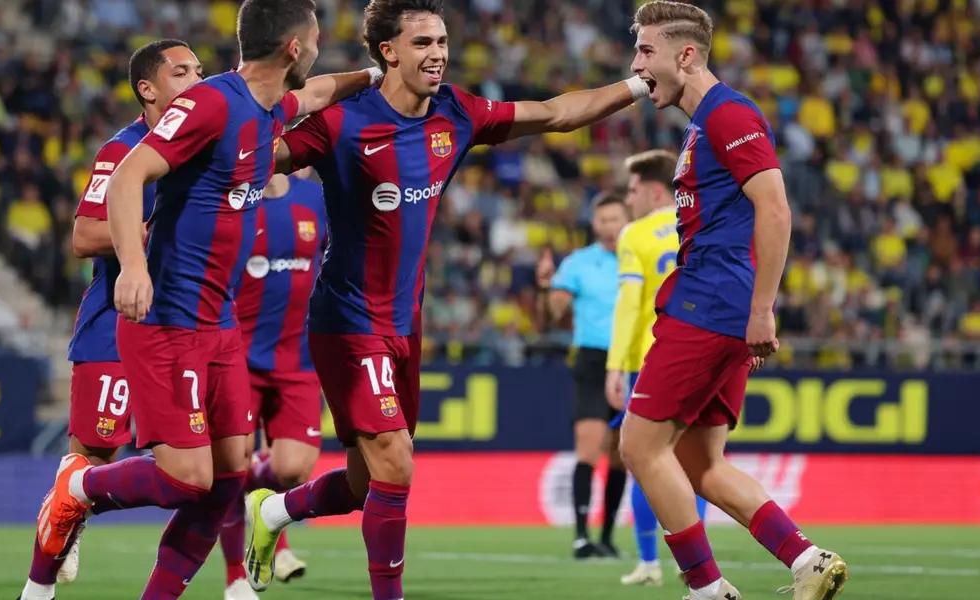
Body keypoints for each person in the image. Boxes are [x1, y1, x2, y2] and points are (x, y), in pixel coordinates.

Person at [242, 1, 654, 597]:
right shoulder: (342, 122)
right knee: (396, 464)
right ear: (388, 52)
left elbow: (559, 112)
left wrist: (640, 83)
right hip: (347, 322)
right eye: (422, 44)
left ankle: (272, 513)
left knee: (367, 481)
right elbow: (256, 157)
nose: (438, 54)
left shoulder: (456, 113)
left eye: (441, 41)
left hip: (405, 325)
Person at [32, 2, 379, 598]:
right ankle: (79, 490)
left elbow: (319, 92)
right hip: (168, 316)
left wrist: (375, 77)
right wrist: (134, 269)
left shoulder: (264, 109)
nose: (318, 51)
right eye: (316, 40)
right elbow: (128, 174)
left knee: (227, 479)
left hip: (219, 325)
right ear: (293, 48)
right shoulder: (215, 102)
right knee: (189, 480)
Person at [621, 2, 847, 599]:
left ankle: (707, 589)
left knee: (639, 445)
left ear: (686, 56)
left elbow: (775, 208)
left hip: (710, 304)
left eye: (646, 51)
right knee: (701, 465)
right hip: (721, 307)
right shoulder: (704, 126)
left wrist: (761, 310)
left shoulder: (729, 114)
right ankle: (807, 560)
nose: (637, 66)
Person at [18, 38, 203, 600]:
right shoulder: (123, 150)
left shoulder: (208, 147)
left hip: (190, 330)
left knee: (210, 470)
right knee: (92, 457)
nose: (198, 80)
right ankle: (38, 588)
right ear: (148, 89)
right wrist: (153, 237)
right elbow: (84, 235)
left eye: (200, 70)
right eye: (181, 72)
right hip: (116, 326)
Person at [217, 170, 328, 600]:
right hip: (237, 358)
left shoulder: (315, 200)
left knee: (292, 469)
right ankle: (235, 578)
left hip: (297, 360)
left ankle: (257, 497)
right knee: (229, 467)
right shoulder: (230, 202)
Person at [605, 149, 708, 586]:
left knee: (643, 457)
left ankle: (649, 561)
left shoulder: (636, 234)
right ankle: (698, 566)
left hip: (651, 358)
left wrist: (615, 364)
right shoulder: (700, 223)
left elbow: (630, 304)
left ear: (651, 190)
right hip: (703, 352)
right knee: (696, 463)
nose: (629, 201)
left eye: (631, 191)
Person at [534, 193, 629, 560]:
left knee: (623, 454)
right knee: (588, 447)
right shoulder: (578, 263)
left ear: (627, 218)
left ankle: (606, 536)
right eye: (603, 219)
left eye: (615, 218)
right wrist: (546, 288)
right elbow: (552, 315)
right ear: (594, 224)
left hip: (632, 360)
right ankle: (580, 536)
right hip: (592, 361)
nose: (609, 226)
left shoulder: (639, 255)